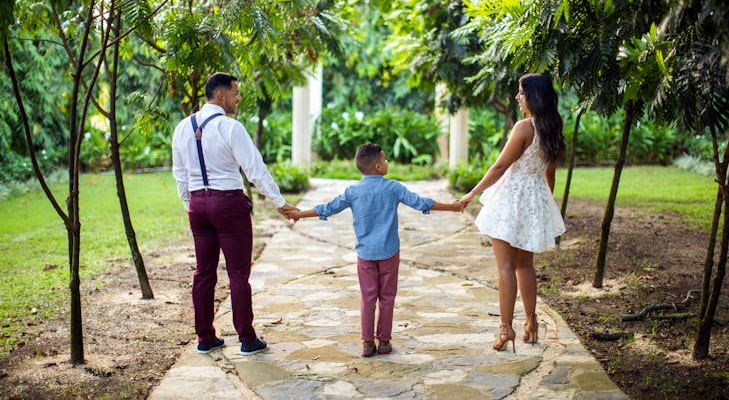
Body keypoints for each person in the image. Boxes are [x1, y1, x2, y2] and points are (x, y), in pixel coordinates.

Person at [288, 142, 463, 357]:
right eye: (385, 158)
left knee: (368, 298)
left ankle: (367, 343)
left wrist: (299, 214)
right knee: (387, 297)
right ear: (379, 167)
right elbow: (421, 203)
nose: (387, 161)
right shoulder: (393, 187)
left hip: (366, 254)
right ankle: (385, 342)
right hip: (390, 252)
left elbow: (328, 208)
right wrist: (453, 207)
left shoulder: (353, 191)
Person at [172, 72, 298, 356]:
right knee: (238, 273)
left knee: (203, 273)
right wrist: (279, 201)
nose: (238, 98)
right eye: (235, 93)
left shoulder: (182, 128)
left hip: (198, 206)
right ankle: (246, 338)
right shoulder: (231, 128)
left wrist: (190, 204)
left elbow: (179, 174)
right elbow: (255, 170)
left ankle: (205, 338)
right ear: (221, 95)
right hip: (228, 205)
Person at [457, 73, 566, 353]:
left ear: (534, 96)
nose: (518, 97)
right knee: (524, 265)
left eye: (521, 92)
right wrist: (543, 204)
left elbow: (499, 167)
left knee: (505, 267)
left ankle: (506, 329)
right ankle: (531, 323)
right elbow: (549, 174)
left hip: (511, 198)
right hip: (534, 198)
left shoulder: (523, 127)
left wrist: (471, 193)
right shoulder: (553, 126)